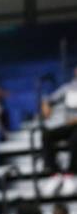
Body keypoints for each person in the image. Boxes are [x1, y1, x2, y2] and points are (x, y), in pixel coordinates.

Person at [41, 67, 77, 198]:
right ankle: (55, 173)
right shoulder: (69, 87)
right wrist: (46, 106)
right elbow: (49, 99)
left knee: (75, 137)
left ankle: (70, 174)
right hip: (68, 124)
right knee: (47, 134)